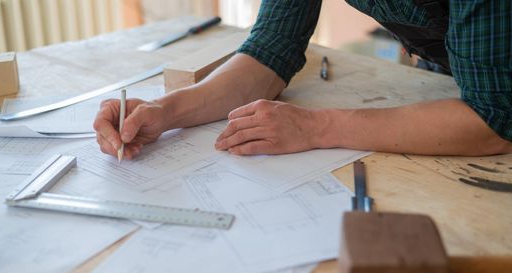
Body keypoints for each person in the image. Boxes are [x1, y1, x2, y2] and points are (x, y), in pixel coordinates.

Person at [94, 0, 512, 159]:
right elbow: (269, 52)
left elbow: (492, 120)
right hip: (455, 70)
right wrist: (164, 110)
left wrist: (316, 126)